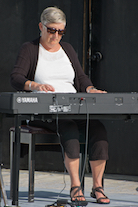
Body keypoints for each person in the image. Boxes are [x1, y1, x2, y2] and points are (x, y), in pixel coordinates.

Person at [10, 6, 110, 204]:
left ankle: (97, 187)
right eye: (51, 30)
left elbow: (80, 78)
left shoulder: (68, 49)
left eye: (60, 32)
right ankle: (75, 187)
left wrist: (90, 89)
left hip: (72, 108)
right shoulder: (30, 49)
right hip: (45, 112)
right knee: (69, 128)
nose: (56, 36)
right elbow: (16, 77)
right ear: (41, 26)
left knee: (98, 129)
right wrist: (35, 85)